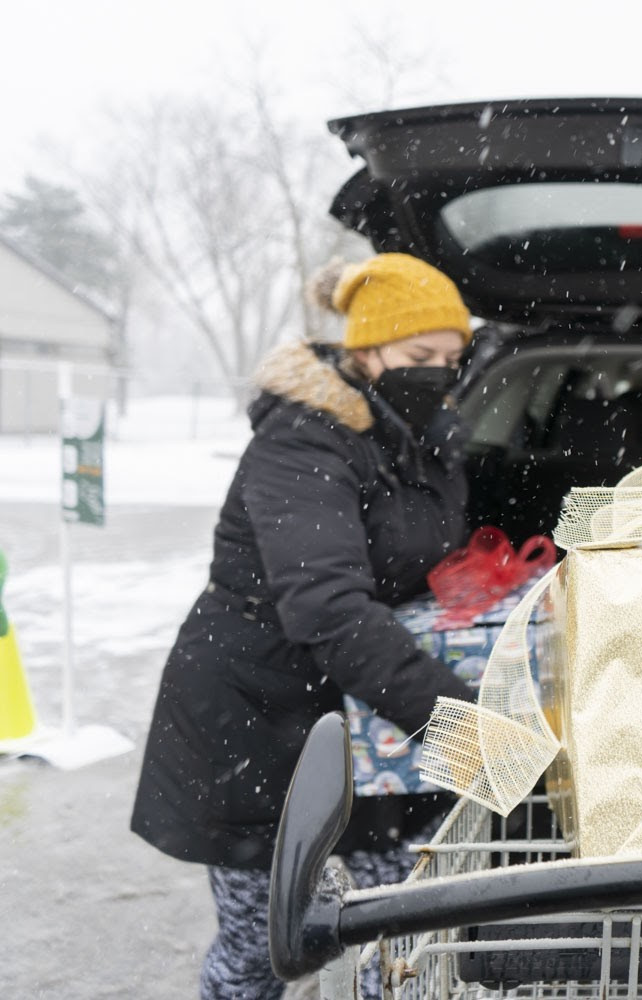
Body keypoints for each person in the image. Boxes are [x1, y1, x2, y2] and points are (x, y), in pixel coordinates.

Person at [130, 253, 477, 999]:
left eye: (453, 359)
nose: (439, 374)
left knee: (400, 932)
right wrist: (463, 727)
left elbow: (417, 562)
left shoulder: (423, 436)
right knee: (266, 946)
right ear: (365, 350)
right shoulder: (302, 442)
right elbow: (328, 608)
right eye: (420, 357)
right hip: (259, 716)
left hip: (370, 715)